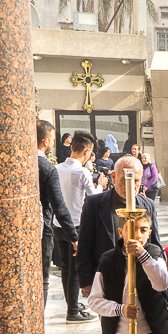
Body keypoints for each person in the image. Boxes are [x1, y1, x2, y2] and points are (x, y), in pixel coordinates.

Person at [78, 156, 162, 334]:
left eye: (136, 180)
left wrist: (159, 271)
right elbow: (85, 243)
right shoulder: (95, 204)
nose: (131, 185)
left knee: (139, 318)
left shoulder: (147, 205)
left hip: (140, 274)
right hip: (108, 274)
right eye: (125, 179)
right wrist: (85, 279)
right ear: (113, 177)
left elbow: (155, 242)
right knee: (110, 321)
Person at [56, 130, 106, 322]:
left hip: (58, 225)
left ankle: (73, 304)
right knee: (75, 270)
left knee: (65, 268)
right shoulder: (82, 172)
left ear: (71, 147)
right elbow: (94, 198)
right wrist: (101, 185)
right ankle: (72, 311)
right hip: (75, 226)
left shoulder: (57, 168)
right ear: (87, 151)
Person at [36, 119, 78, 334]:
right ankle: (36, 333)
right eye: (52, 139)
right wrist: (74, 236)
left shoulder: (18, 162)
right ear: (45, 141)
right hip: (42, 229)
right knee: (41, 281)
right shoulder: (46, 168)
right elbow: (59, 207)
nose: (53, 143)